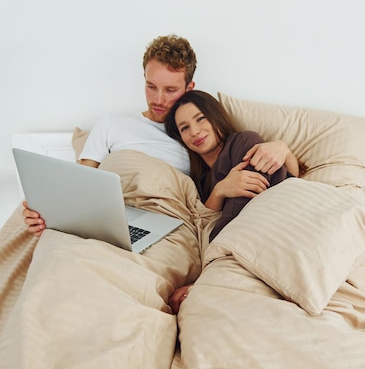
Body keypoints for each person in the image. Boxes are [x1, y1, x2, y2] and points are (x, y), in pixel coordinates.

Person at [23, 35, 297, 236]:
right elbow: (79, 181)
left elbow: (242, 169)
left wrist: (282, 147)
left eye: (170, 90)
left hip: (171, 226)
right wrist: (47, 211)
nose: (158, 100)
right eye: (151, 86)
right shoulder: (111, 125)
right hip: (114, 218)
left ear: (189, 87)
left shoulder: (198, 137)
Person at [164, 90, 298, 313]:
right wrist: (219, 190)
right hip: (244, 253)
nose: (194, 131)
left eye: (200, 119)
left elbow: (242, 220)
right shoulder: (200, 180)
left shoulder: (243, 142)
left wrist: (205, 277)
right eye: (184, 127)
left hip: (277, 232)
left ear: (215, 116)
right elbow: (204, 223)